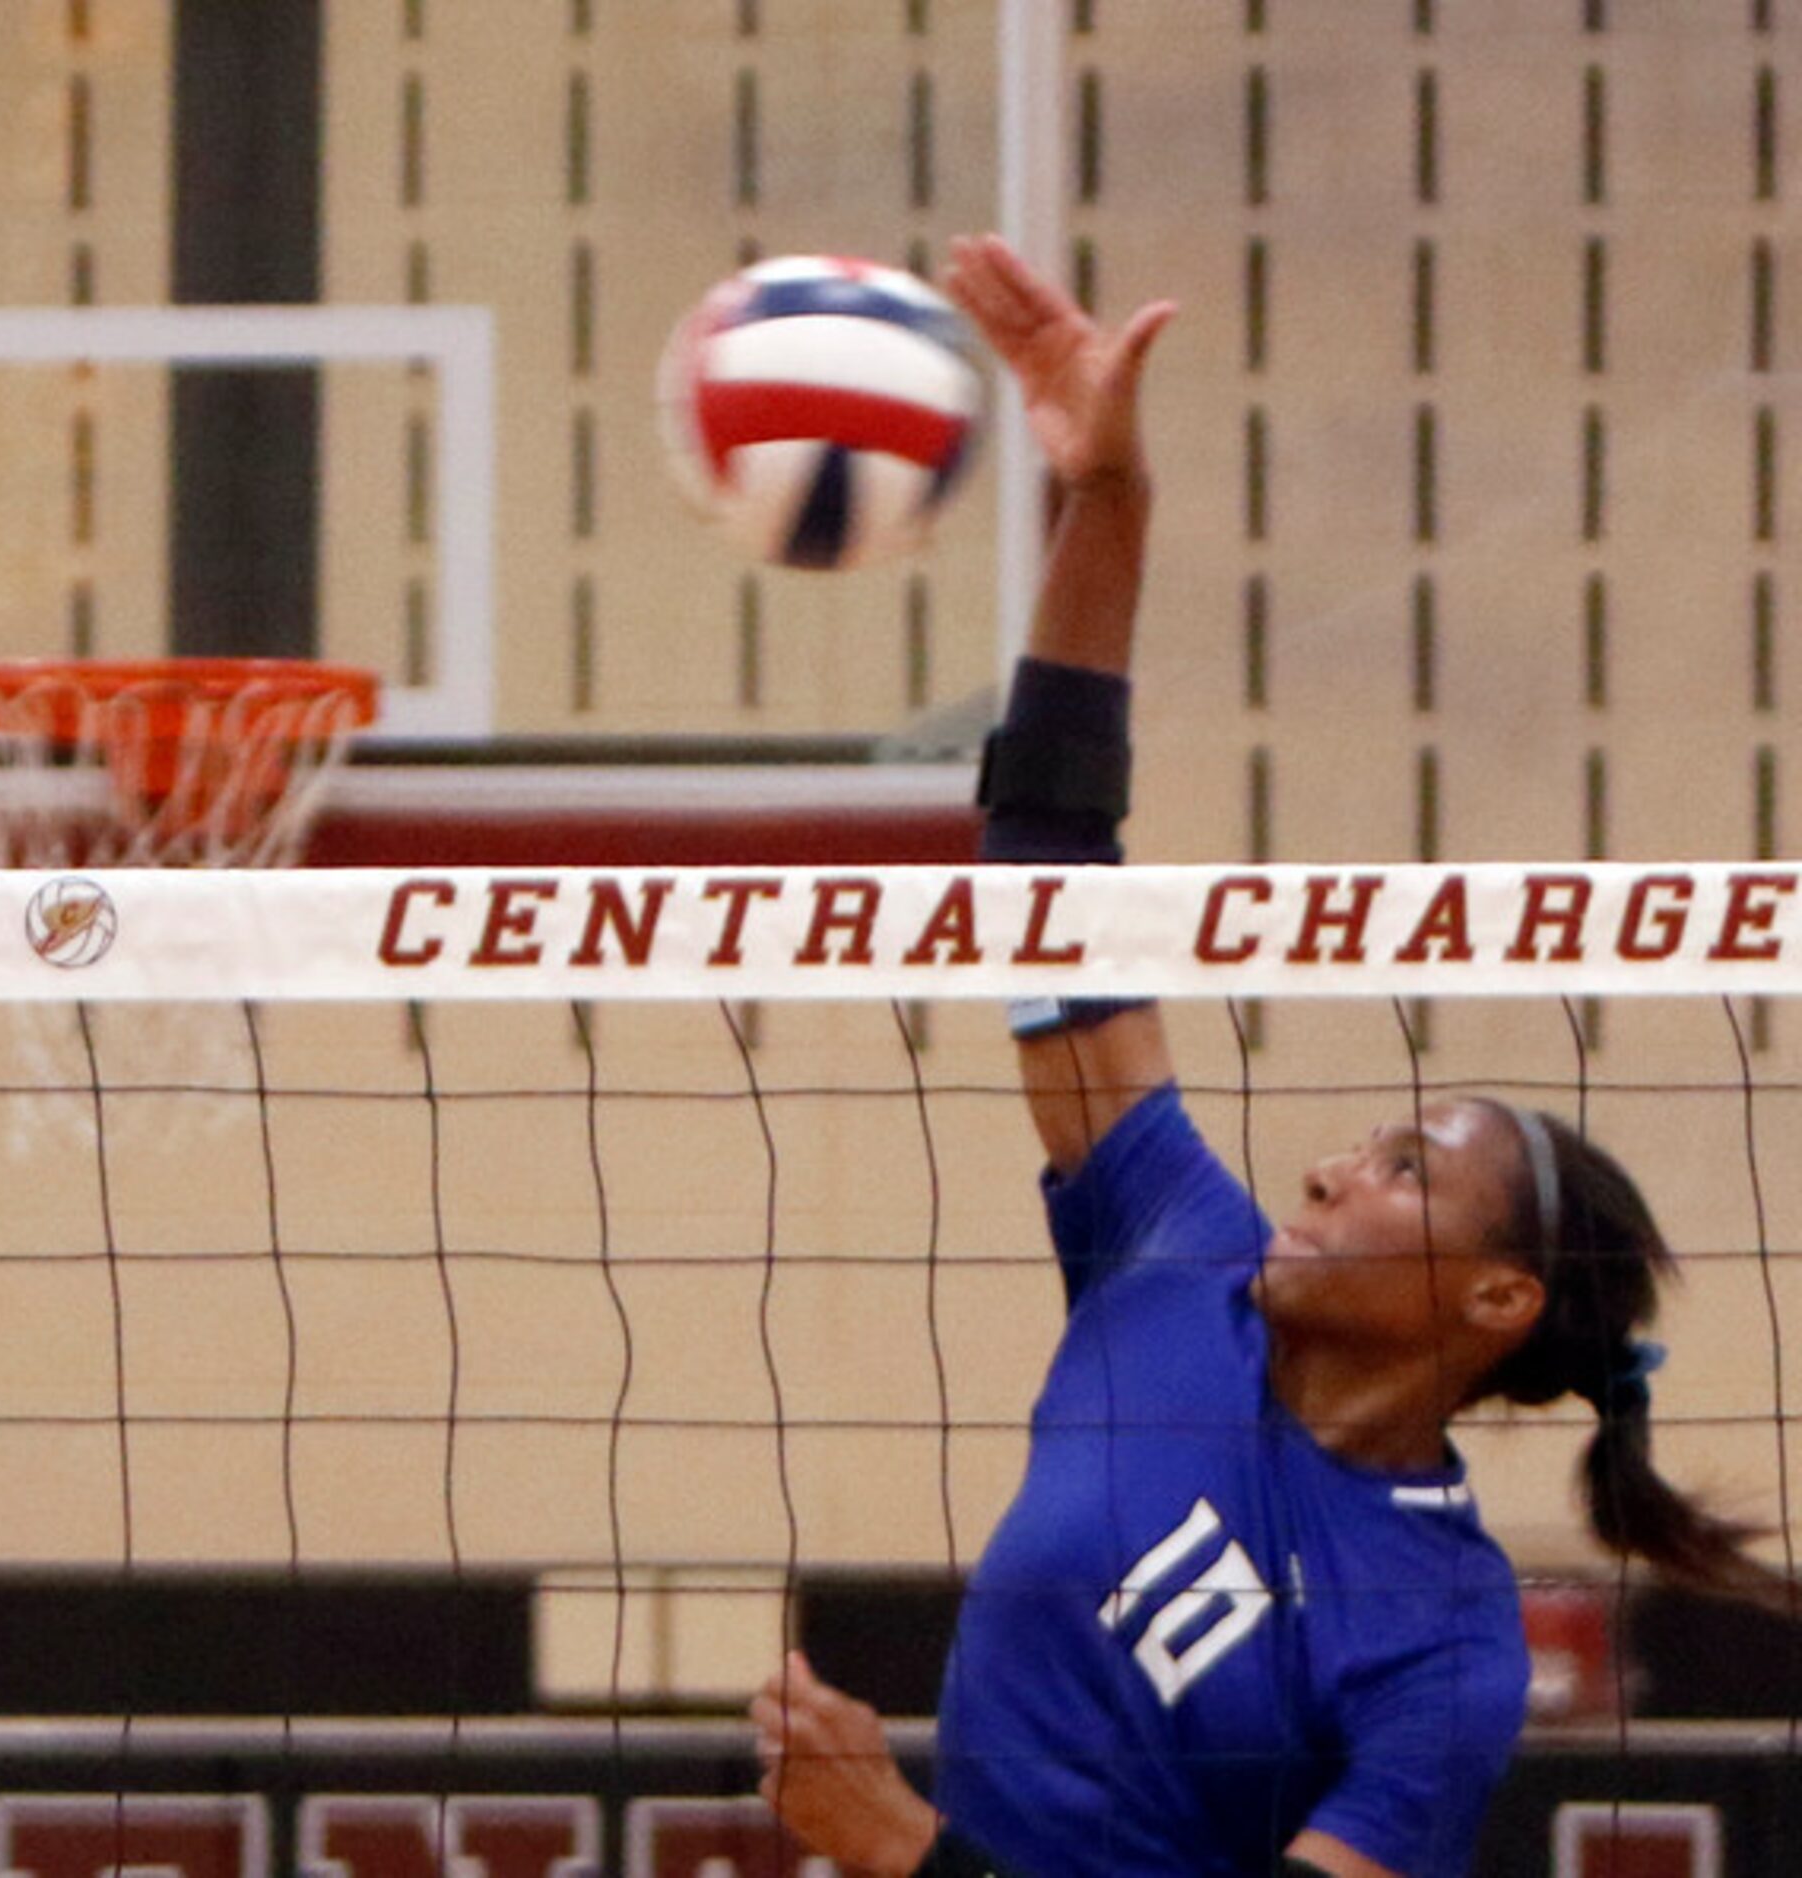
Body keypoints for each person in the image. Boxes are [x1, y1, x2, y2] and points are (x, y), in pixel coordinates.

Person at [750, 234, 1777, 1878]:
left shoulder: (1446, 1647)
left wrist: (893, 1845)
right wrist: (1105, 499)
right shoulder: (1173, 1256)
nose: (1324, 1166)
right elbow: (1044, 858)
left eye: (1400, 1169)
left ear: (1494, 1296)